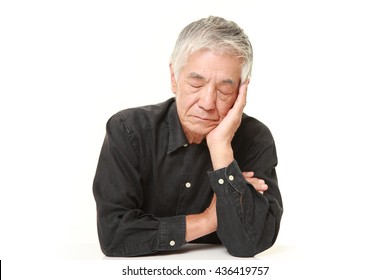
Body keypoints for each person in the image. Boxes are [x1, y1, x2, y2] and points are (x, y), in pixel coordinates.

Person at [93, 16, 283, 257]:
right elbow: (114, 236)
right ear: (174, 77)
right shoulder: (128, 130)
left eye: (224, 89)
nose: (207, 103)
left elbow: (250, 243)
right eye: (196, 83)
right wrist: (207, 220)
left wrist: (221, 149)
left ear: (240, 92)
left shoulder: (255, 139)